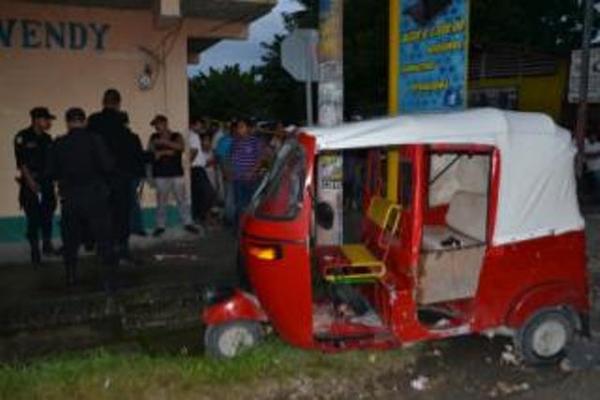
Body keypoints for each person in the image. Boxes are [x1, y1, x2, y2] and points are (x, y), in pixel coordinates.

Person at [49, 108, 116, 289]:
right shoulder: (95, 140)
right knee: (103, 237)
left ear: (68, 122)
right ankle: (107, 277)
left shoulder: (59, 143)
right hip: (94, 195)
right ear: (84, 121)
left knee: (70, 239)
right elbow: (108, 165)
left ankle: (71, 275)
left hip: (70, 197)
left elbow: (52, 171)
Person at [88, 89, 141, 264]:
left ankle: (103, 249)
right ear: (118, 103)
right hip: (121, 177)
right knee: (122, 215)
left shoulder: (94, 121)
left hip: (99, 178)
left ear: (104, 101)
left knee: (102, 214)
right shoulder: (121, 122)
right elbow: (133, 153)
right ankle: (122, 249)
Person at [13, 107, 58, 265]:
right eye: (46, 119)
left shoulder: (47, 139)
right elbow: (22, 163)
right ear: (37, 120)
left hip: (46, 183)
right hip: (30, 182)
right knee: (33, 218)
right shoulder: (22, 137)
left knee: (47, 214)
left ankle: (47, 245)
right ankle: (35, 250)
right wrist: (31, 182)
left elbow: (52, 162)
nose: (49, 123)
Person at [148, 114, 199, 237]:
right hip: (160, 173)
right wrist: (166, 150)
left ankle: (188, 223)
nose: (156, 127)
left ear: (165, 123)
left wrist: (164, 143)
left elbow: (181, 147)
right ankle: (160, 226)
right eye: (155, 125)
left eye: (158, 124)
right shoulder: (154, 137)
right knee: (161, 201)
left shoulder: (176, 135)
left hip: (176, 173)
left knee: (182, 199)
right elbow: (151, 151)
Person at [231, 118, 264, 227]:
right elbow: (233, 158)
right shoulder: (235, 141)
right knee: (239, 205)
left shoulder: (255, 141)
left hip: (251, 179)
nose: (239, 129)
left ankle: (249, 227)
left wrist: (251, 172)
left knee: (250, 205)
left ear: (248, 128)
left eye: (241, 127)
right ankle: (239, 230)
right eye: (238, 127)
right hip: (237, 179)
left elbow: (260, 159)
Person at [214, 121, 235, 225]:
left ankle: (232, 218)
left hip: (237, 173)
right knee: (229, 196)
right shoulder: (225, 141)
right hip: (228, 171)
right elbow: (220, 158)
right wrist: (225, 172)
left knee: (233, 196)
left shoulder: (239, 140)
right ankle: (229, 219)